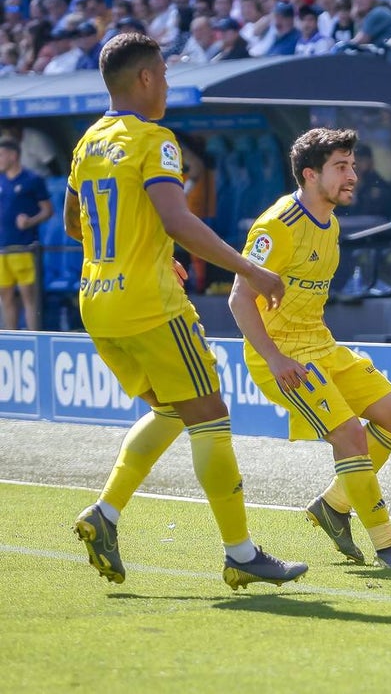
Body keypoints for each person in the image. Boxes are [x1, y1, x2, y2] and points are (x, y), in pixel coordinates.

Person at [66, 32, 306, 589]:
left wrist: (139, 249)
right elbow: (177, 220)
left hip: (97, 300)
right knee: (211, 414)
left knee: (176, 409)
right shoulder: (156, 140)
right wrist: (252, 270)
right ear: (146, 78)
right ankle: (241, 553)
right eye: (165, 77)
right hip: (149, 303)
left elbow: (74, 226)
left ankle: (104, 515)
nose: (167, 87)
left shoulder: (87, 144)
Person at [229, 127, 391, 570]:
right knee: (350, 435)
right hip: (282, 357)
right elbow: (238, 299)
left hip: (321, 345)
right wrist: (275, 359)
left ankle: (333, 506)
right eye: (341, 167)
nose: (352, 176)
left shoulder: (332, 222)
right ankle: (388, 545)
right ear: (309, 175)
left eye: (353, 166)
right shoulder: (276, 226)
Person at [0, 138, 52, 330]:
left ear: (13, 156)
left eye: (1, 155)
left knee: (28, 297)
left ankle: (33, 338)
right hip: (3, 249)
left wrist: (30, 221)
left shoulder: (33, 180)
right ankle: (13, 339)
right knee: (5, 296)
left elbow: (48, 210)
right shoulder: (1, 180)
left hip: (24, 247)